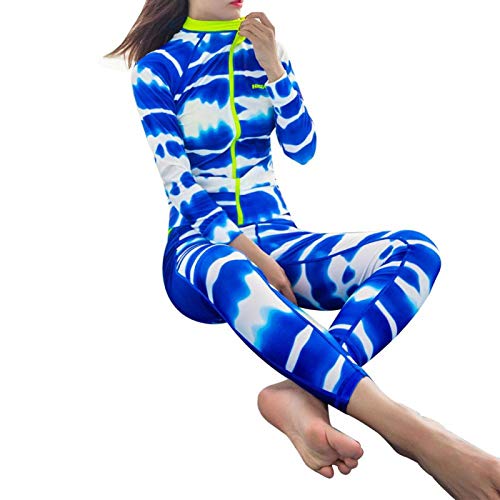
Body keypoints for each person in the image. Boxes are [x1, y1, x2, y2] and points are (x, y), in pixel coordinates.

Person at [104, 0, 500, 496]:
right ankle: (417, 436)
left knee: (415, 251)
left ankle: (298, 392)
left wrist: (274, 66)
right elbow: (180, 187)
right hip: (199, 248)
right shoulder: (158, 68)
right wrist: (256, 258)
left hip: (278, 234)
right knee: (233, 270)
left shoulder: (263, 48)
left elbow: (302, 147)